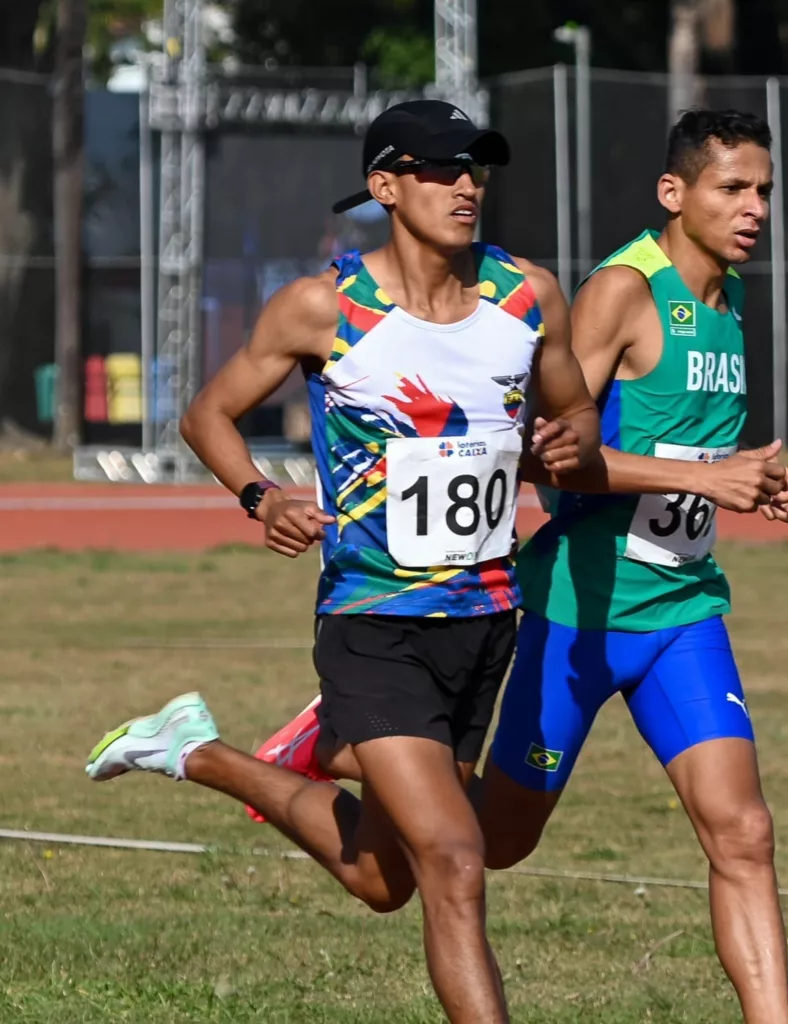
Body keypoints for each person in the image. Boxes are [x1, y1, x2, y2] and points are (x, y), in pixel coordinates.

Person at [83, 99, 600, 1024]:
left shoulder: (530, 296)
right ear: (386, 185)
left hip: (486, 624)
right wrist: (260, 496)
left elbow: (576, 411)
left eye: (474, 168)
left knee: (380, 875)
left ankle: (194, 750)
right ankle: (336, 734)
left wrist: (567, 443)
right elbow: (207, 414)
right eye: (442, 169)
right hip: (373, 627)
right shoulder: (328, 306)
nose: (466, 185)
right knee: (454, 855)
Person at [478, 109, 788, 1024]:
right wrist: (710, 474)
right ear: (674, 193)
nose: (755, 209)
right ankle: (346, 748)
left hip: (683, 614)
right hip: (580, 615)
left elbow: (681, 442)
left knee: (743, 834)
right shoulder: (623, 291)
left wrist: (758, 479)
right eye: (733, 189)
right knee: (495, 843)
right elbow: (547, 451)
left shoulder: (728, 298)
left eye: (765, 192)